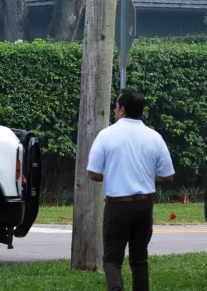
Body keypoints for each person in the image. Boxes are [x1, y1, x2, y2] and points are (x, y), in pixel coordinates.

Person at [87, 89, 175, 291]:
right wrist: (144, 177)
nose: (115, 110)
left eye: (116, 106)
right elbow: (168, 176)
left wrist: (113, 175)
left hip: (117, 206)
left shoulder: (106, 135)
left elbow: (92, 173)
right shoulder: (154, 137)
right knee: (139, 258)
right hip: (145, 204)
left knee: (112, 258)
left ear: (122, 109)